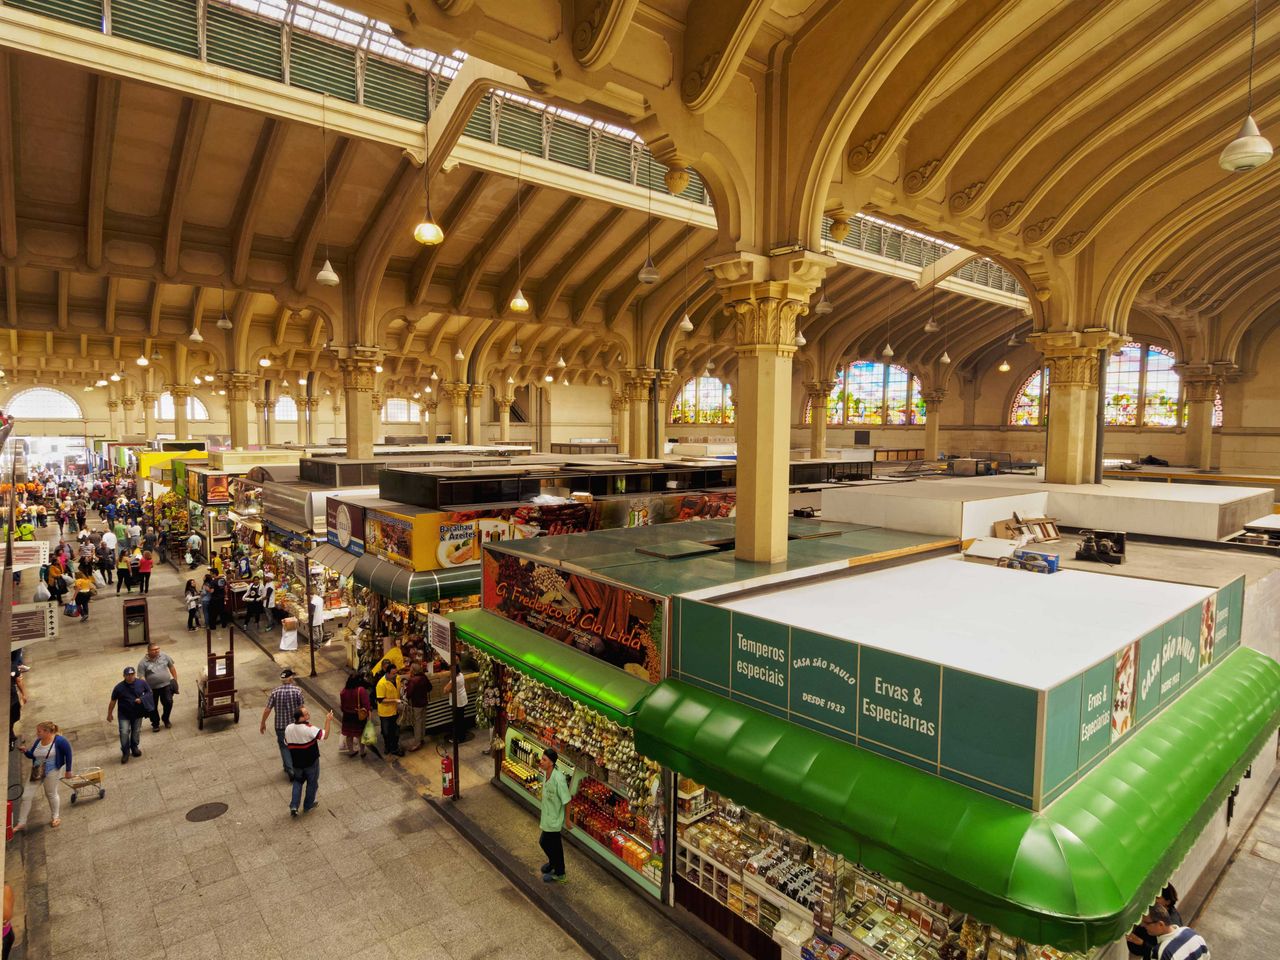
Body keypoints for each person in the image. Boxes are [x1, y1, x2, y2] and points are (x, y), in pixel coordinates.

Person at [14, 721, 73, 830]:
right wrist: (26, 751)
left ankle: (55, 817)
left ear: (47, 732)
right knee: (26, 796)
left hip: (52, 770)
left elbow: (68, 754)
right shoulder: (38, 741)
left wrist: (68, 770)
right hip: (38, 769)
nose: (37, 733)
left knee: (50, 793)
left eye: (39, 731)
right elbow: (32, 755)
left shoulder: (60, 741)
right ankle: (21, 823)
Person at [284, 706, 333, 816]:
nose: (308, 714)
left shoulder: (288, 728)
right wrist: (328, 720)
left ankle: (294, 806)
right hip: (311, 762)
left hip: (296, 763)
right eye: (306, 714)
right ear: (301, 718)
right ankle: (308, 805)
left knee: (297, 782)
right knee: (312, 783)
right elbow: (324, 736)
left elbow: (286, 743)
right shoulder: (309, 728)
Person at [537, 748, 572, 883]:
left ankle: (560, 873)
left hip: (555, 819)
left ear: (551, 763)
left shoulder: (559, 779)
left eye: (544, 760)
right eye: (542, 758)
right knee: (548, 844)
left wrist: (567, 820)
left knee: (549, 844)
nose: (541, 761)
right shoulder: (547, 773)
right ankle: (553, 864)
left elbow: (567, 801)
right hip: (547, 816)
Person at [261, 669, 305, 777]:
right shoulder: (297, 691)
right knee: (295, 745)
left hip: (280, 726)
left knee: (284, 747)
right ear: (290, 679)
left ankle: (288, 768)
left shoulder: (275, 692)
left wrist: (263, 722)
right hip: (295, 725)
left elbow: (268, 709)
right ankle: (293, 767)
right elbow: (302, 708)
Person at [106, 666, 151, 763]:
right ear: (124, 676)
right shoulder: (119, 688)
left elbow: (149, 692)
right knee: (124, 732)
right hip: (124, 714)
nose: (130, 677)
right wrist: (109, 714)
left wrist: (142, 699)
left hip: (137, 713)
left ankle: (134, 747)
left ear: (134, 674)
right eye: (128, 675)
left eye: (132, 674)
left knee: (136, 731)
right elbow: (113, 701)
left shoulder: (142, 683)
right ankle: (125, 751)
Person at [1128, 887, 1187, 960]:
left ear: (1167, 901)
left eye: (1157, 898)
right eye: (1152, 896)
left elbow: (1166, 951)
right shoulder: (1157, 911)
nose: (1153, 900)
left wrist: (1142, 943)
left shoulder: (1172, 923)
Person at [1140, 903, 1209, 960]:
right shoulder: (1190, 932)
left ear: (1160, 924)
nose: (1143, 925)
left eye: (1146, 923)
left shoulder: (1161, 952)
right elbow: (1206, 956)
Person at [138, 643, 178, 730]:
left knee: (168, 702)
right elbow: (141, 677)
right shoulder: (143, 663)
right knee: (152, 707)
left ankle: (166, 719)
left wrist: (175, 679)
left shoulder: (164, 656)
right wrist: (146, 688)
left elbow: (171, 667)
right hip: (152, 689)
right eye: (154, 649)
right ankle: (155, 723)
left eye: (158, 649)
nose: (157, 651)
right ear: (148, 651)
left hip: (166, 685)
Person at [375, 662, 404, 757]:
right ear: (387, 673)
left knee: (396, 731)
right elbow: (380, 699)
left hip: (396, 710)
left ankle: (394, 748)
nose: (395, 675)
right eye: (393, 673)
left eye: (396, 673)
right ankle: (387, 747)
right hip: (385, 713)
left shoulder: (397, 679)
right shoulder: (381, 684)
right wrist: (395, 700)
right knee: (386, 731)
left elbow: (400, 688)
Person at [338, 673, 371, 757]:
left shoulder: (343, 691)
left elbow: (342, 706)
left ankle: (351, 751)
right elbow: (366, 705)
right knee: (360, 734)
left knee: (349, 735)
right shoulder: (361, 690)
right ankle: (362, 752)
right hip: (358, 716)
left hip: (347, 716)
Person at [403, 662, 432, 751]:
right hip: (424, 702)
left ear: (413, 670)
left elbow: (409, 694)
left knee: (417, 723)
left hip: (416, 704)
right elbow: (430, 688)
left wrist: (405, 688)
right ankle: (422, 738)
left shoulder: (413, 680)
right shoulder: (424, 677)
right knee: (423, 721)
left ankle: (417, 743)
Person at [444, 662, 472, 743]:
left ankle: (458, 738)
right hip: (462, 700)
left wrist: (450, 689)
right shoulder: (461, 675)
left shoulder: (454, 679)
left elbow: (445, 690)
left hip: (457, 702)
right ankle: (461, 736)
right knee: (461, 719)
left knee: (457, 721)